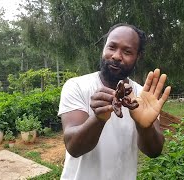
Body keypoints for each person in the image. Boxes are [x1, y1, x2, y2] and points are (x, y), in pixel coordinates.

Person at [58, 23, 171, 180]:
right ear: (104, 48)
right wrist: (98, 119)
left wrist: (144, 127)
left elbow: (154, 151)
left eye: (127, 51)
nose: (117, 56)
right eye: (112, 47)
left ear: (138, 56)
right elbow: (73, 147)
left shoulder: (142, 96)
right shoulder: (77, 86)